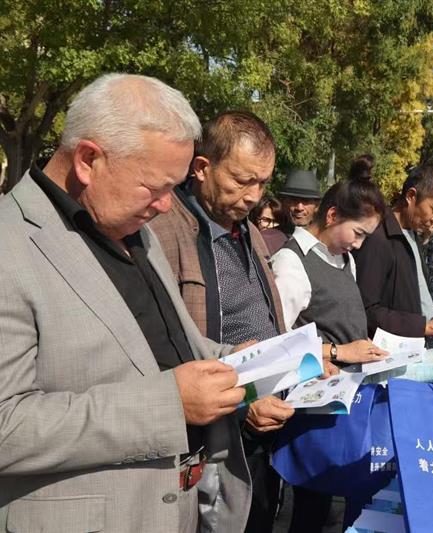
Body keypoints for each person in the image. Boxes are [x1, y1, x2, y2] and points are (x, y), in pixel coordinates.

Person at [0, 74, 251, 532]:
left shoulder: (136, 233)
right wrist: (169, 404)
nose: (166, 206)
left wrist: (239, 361)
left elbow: (163, 348)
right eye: (155, 188)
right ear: (88, 160)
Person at [149, 110, 294, 533]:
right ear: (201, 167)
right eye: (242, 181)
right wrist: (243, 399)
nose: (253, 196)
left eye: (262, 183)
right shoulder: (163, 231)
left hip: (264, 422)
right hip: (211, 434)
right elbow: (165, 343)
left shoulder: (247, 230)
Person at [271, 175, 390, 533]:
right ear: (333, 215)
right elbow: (276, 343)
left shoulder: (343, 260)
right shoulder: (291, 263)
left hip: (343, 402)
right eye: (357, 233)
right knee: (310, 507)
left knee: (330, 503)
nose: (358, 244)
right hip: (312, 407)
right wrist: (339, 351)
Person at [353, 164, 433, 340]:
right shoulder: (379, 238)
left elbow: (410, 295)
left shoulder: (413, 235)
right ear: (411, 196)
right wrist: (423, 327)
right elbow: (366, 310)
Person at [279, 169, 321, 234]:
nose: (299, 208)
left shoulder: (326, 238)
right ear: (284, 203)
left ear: (317, 205)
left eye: (306, 200)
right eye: (294, 200)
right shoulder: (269, 238)